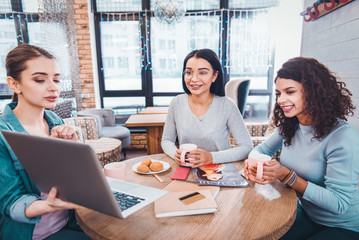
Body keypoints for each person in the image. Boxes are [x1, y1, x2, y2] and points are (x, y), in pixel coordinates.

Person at [245, 57, 359, 240]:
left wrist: (286, 175)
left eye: (290, 92)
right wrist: (255, 163)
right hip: (309, 214)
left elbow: (339, 204)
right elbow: (260, 150)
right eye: (279, 93)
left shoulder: (343, 136)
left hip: (345, 226)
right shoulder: (290, 126)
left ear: (314, 92)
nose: (281, 100)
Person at [0, 44, 90, 240]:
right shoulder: (2, 135)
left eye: (57, 79)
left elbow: (75, 179)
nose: (53, 87)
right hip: (35, 234)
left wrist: (74, 148)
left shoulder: (54, 121)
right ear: (14, 84)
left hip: (71, 221)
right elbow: (9, 203)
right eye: (40, 80)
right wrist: (47, 206)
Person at [161, 48, 253, 167]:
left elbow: (247, 147)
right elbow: (166, 140)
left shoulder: (227, 105)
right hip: (186, 169)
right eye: (189, 72)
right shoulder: (176, 103)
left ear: (214, 76)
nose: (194, 79)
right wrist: (175, 154)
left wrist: (211, 157)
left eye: (202, 73)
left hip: (220, 172)